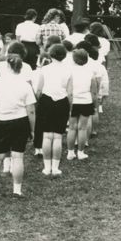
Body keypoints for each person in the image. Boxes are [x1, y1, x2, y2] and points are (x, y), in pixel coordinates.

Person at [0, 54, 37, 198]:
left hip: (1, 121)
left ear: (7, 66)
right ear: (21, 68)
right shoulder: (25, 84)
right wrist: (32, 129)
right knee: (18, 157)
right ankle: (17, 190)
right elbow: (31, 110)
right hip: (20, 121)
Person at [34, 43, 71, 177]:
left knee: (47, 135)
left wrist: (39, 101)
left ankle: (46, 167)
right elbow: (70, 92)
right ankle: (55, 168)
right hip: (62, 102)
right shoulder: (68, 70)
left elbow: (38, 89)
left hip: (46, 101)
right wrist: (70, 107)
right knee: (58, 136)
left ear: (51, 54)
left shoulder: (44, 69)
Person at [66, 47, 98, 161]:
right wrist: (93, 102)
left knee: (72, 128)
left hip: (73, 102)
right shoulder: (91, 73)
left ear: (74, 60)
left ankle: (70, 152)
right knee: (82, 128)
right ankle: (80, 152)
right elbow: (94, 91)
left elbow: (69, 91)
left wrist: (69, 105)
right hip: (86, 102)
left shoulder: (70, 73)